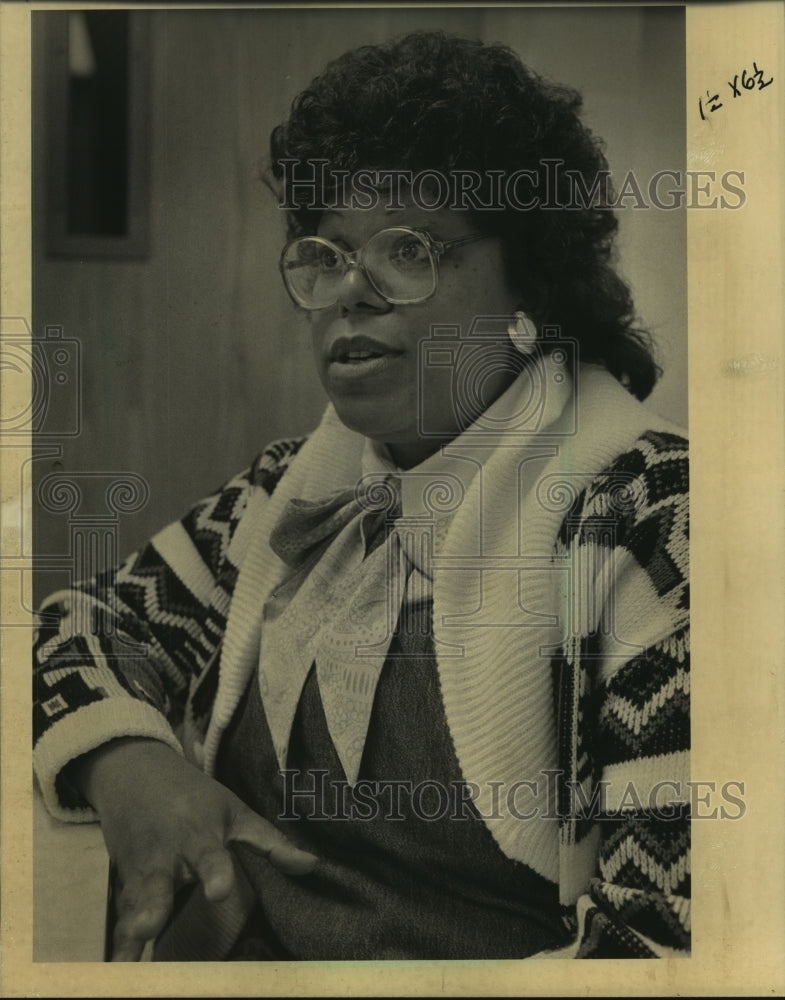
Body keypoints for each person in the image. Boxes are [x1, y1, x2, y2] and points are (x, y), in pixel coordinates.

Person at [33, 30, 690, 961]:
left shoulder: (654, 517)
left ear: (532, 282)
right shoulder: (286, 490)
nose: (350, 293)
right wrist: (127, 762)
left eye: (406, 251)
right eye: (326, 253)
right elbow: (77, 629)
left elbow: (667, 954)